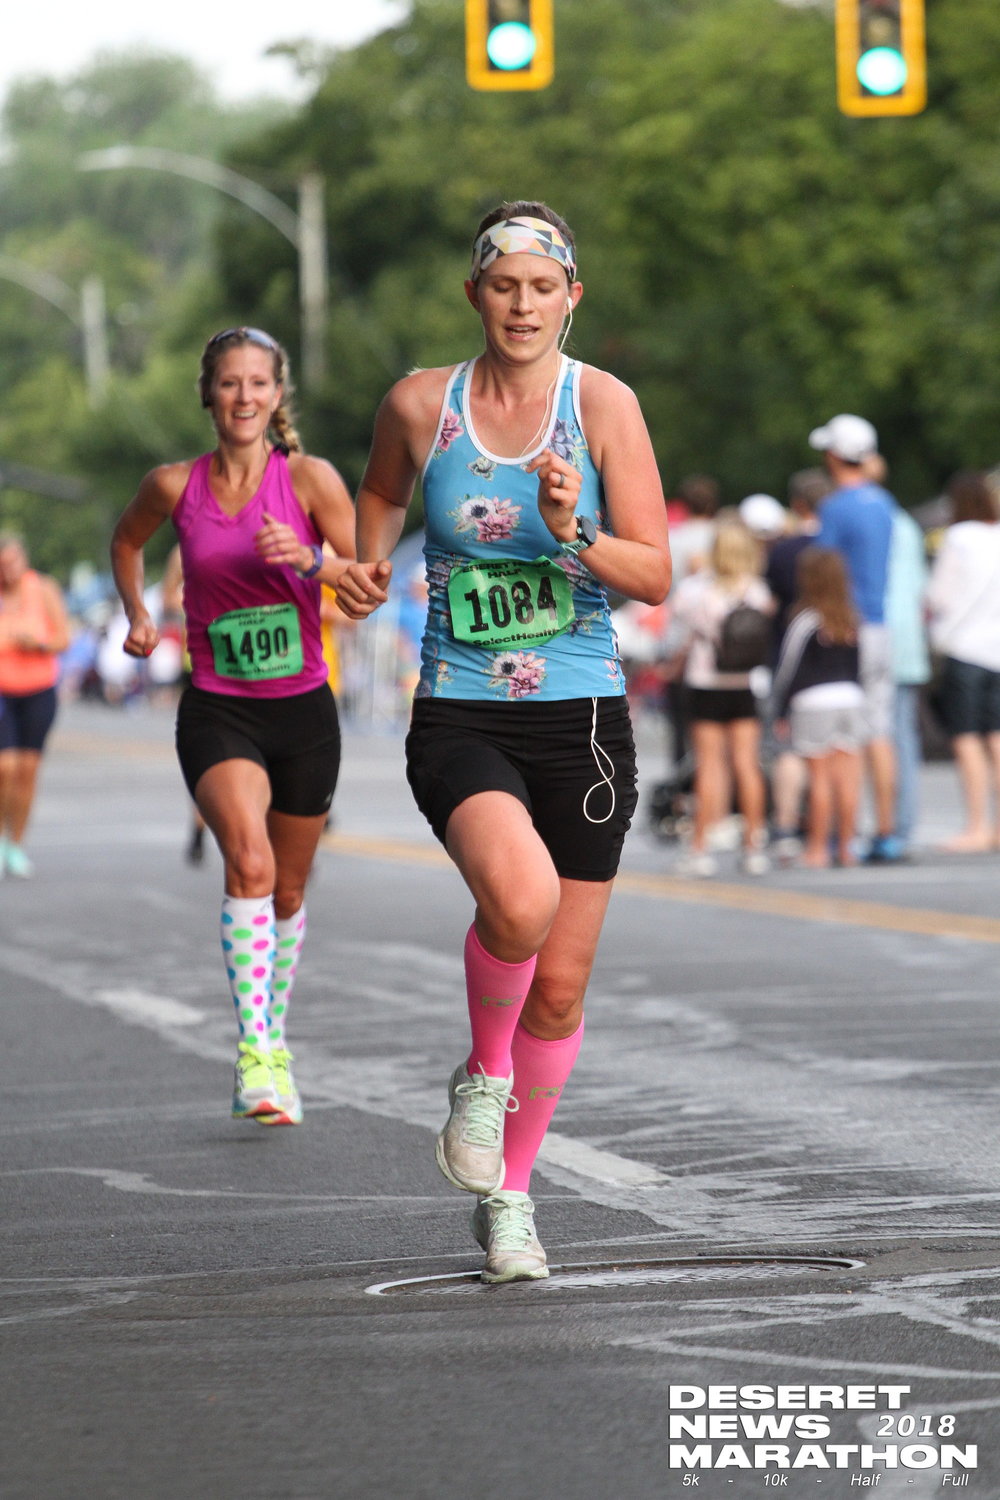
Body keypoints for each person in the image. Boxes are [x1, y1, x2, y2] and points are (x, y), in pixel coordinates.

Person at [333, 201, 671, 1283]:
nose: (521, 305)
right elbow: (380, 494)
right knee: (517, 906)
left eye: (542, 286)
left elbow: (657, 576)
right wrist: (361, 560)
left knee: (563, 986)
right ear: (474, 293)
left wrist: (576, 531)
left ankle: (513, 1198)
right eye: (502, 284)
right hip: (464, 712)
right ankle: (482, 1078)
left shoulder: (604, 406)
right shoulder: (420, 403)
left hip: (583, 719)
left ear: (573, 295)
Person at [110, 326, 355, 1125]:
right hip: (219, 708)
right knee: (246, 862)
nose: (244, 397)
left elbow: (366, 588)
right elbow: (125, 540)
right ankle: (255, 1051)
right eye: (229, 384)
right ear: (207, 394)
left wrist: (314, 564)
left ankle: (274, 1037)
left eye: (258, 383)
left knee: (286, 888)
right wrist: (139, 614)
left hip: (305, 713)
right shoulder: (173, 485)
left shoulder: (312, 482)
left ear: (277, 395)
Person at [808, 413, 901, 863]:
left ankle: (838, 832)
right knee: (879, 730)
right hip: (882, 623)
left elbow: (820, 568)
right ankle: (885, 830)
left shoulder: (835, 507)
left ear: (832, 455)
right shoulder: (883, 503)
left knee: (839, 735)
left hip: (848, 628)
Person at [670, 518, 774, 877]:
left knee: (710, 766)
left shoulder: (699, 591)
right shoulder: (757, 591)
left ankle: (700, 848)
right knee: (747, 765)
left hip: (707, 683)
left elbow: (678, 616)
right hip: (744, 683)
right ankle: (753, 846)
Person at [771, 548, 864, 868]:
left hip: (813, 703)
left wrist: (780, 710)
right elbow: (858, 667)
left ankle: (818, 847)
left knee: (821, 778)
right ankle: (847, 847)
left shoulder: (806, 620)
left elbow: (788, 668)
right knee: (848, 778)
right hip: (850, 699)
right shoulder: (850, 619)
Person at [925, 470, 1000, 851]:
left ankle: (976, 825)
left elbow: (939, 595)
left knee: (967, 737)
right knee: (997, 737)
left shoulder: (958, 538)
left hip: (965, 647)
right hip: (998, 649)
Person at [764, 468, 830, 861]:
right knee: (831, 751)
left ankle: (787, 823)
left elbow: (770, 603)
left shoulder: (784, 550)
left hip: (788, 649)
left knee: (788, 745)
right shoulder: (835, 545)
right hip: (838, 652)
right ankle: (835, 827)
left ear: (797, 504)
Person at [0, 534, 72, 877]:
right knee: (5, 768)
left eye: (13, 564)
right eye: (2, 567)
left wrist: (38, 643)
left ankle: (15, 844)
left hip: (38, 690)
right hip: (2, 691)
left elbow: (63, 638)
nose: (9, 572)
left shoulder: (43, 588)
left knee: (27, 770)